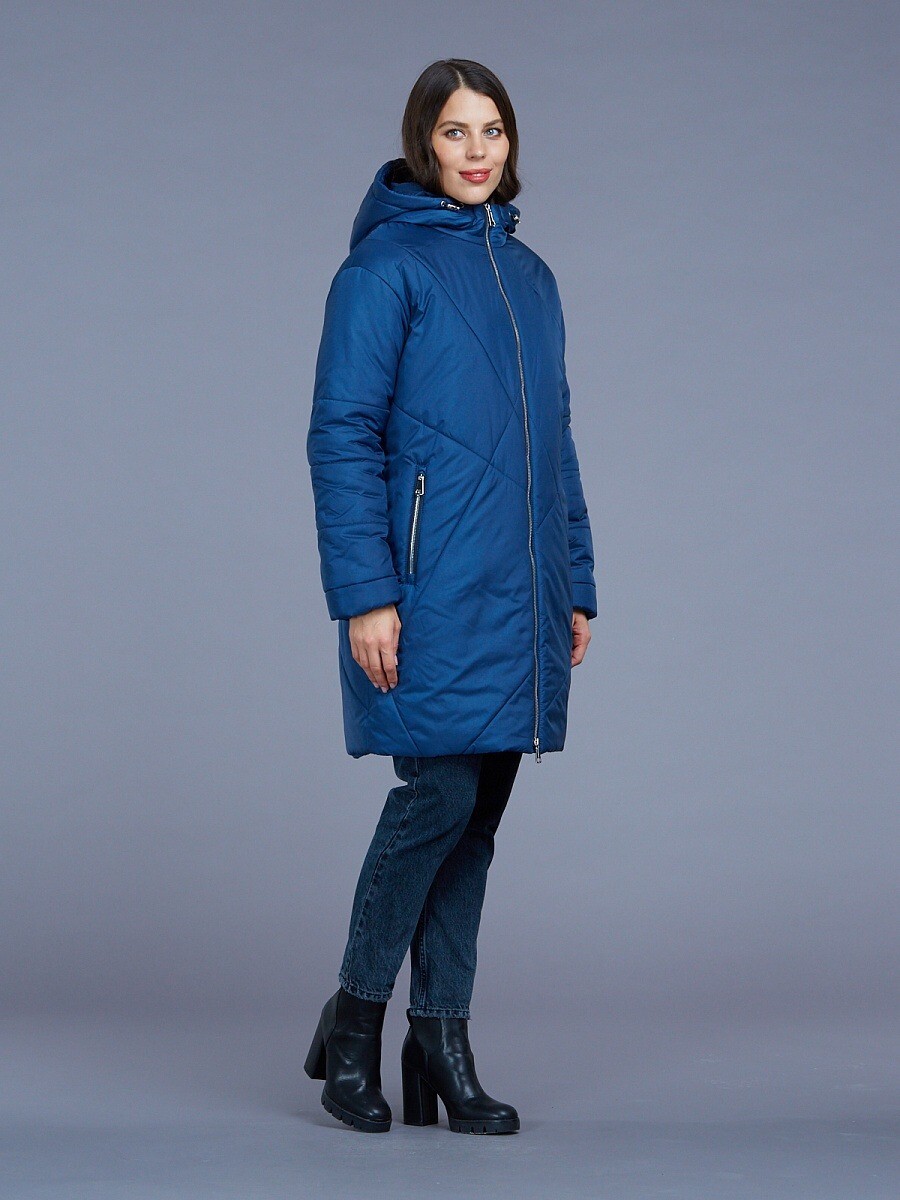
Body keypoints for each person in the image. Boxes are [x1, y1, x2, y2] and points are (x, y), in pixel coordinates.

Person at [303, 59, 597, 1135]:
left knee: (476, 818)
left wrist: (576, 582)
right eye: (456, 131)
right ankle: (354, 1023)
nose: (477, 151)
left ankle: (441, 1036)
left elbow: (556, 445)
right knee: (436, 800)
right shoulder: (382, 271)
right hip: (426, 590)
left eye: (493, 131)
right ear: (421, 141)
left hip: (520, 590)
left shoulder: (533, 278)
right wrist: (365, 594)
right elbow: (341, 436)